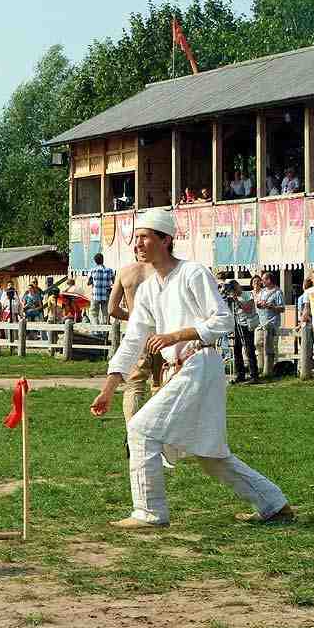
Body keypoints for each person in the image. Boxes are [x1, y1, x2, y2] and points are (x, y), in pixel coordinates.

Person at [89, 208, 294, 530]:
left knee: (141, 429)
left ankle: (149, 512)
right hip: (180, 369)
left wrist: (176, 335)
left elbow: (223, 320)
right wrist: (109, 388)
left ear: (165, 239)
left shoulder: (193, 273)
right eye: (136, 238)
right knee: (210, 454)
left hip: (200, 364)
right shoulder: (147, 289)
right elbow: (132, 342)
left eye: (144, 237)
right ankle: (274, 503)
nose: (137, 244)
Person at [106, 260, 158, 423]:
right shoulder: (163, 271)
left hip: (137, 334)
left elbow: (112, 309)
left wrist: (134, 317)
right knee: (160, 384)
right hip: (161, 334)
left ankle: (132, 429)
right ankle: (160, 432)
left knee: (134, 385)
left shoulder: (125, 271)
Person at [223, 280, 259, 384]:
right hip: (237, 325)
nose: (234, 292)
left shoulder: (248, 294)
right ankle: (240, 374)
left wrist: (237, 301)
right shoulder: (231, 298)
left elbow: (248, 309)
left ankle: (254, 375)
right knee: (237, 350)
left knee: (249, 349)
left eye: (234, 289)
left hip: (247, 326)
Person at [253, 272, 284, 376]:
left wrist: (272, 307)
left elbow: (282, 308)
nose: (262, 281)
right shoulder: (262, 292)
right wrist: (259, 305)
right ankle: (261, 367)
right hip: (261, 323)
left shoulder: (278, 292)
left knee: (271, 347)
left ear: (269, 280)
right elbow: (257, 304)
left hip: (272, 324)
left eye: (263, 279)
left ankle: (272, 369)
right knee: (258, 344)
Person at [88, 252, 115, 325]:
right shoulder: (110, 270)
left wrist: (94, 281)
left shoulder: (92, 270)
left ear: (95, 261)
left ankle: (96, 330)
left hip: (95, 295)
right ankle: (105, 331)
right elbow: (114, 281)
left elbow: (89, 282)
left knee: (94, 313)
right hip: (106, 294)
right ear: (103, 260)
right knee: (105, 313)